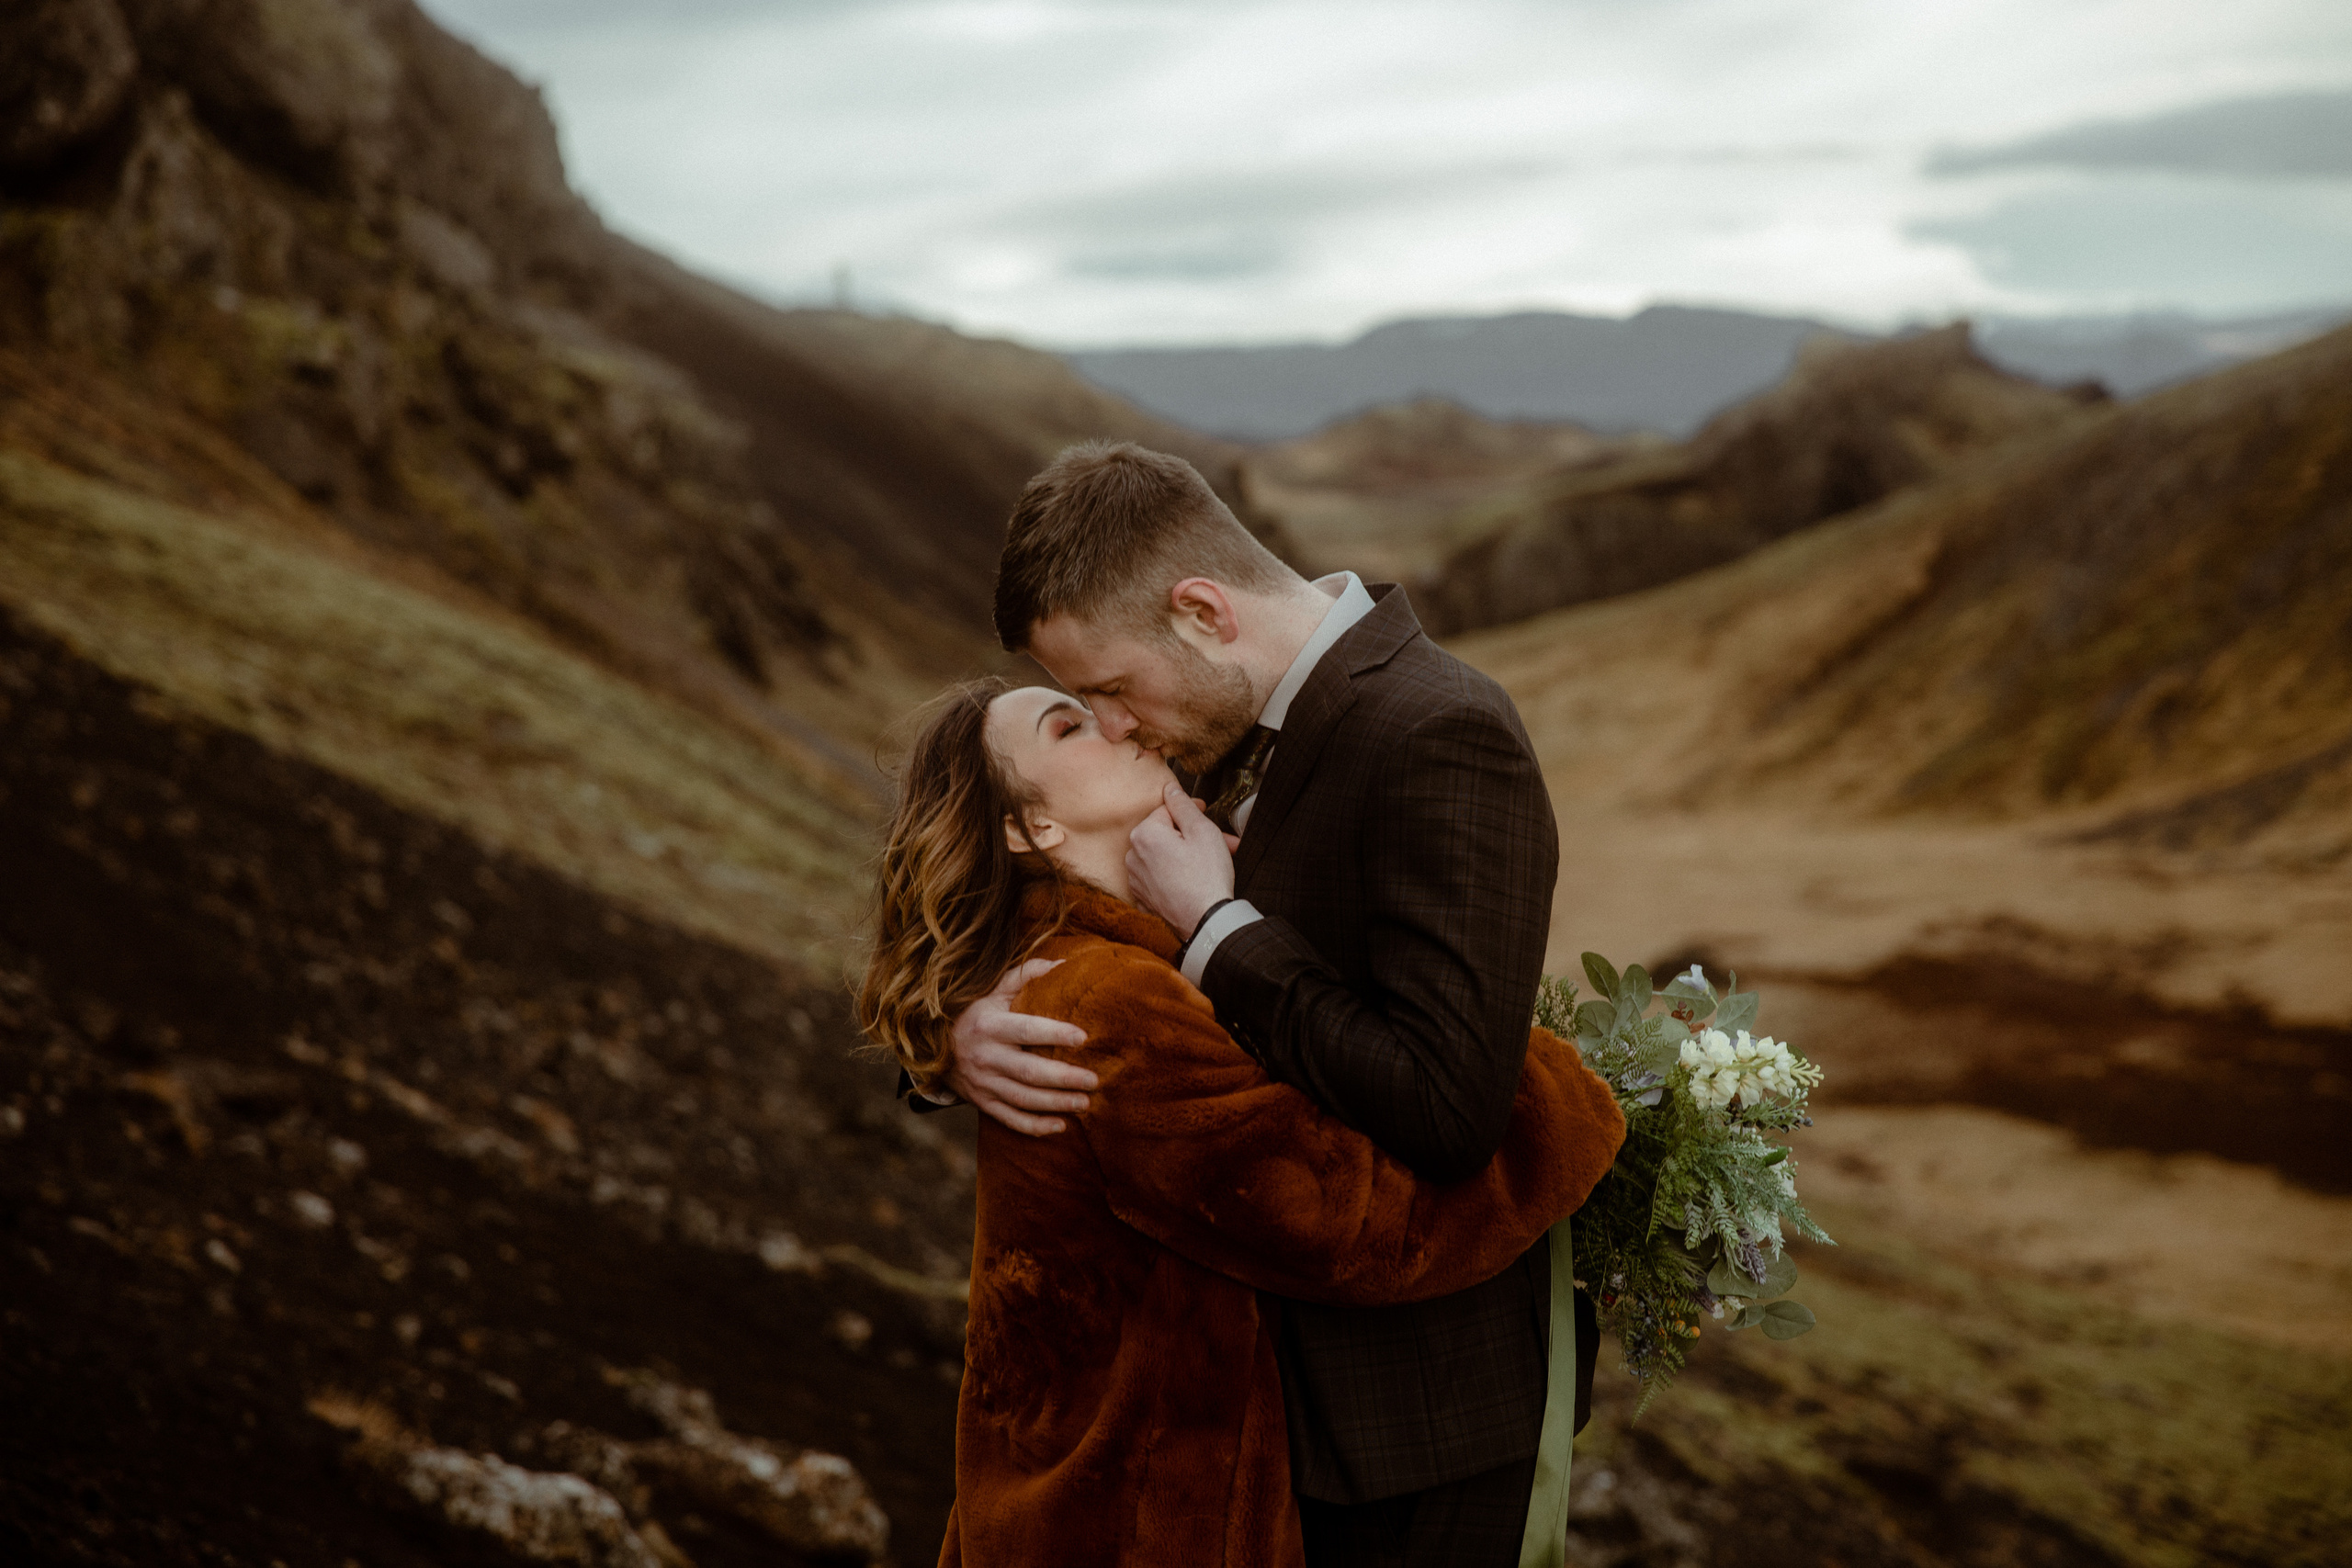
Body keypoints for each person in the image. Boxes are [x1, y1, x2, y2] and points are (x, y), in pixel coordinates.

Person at [926, 442, 1587, 1565]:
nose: (1119, 728)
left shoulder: (1438, 729)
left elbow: (1448, 1105)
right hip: (1256, 1428)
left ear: (1201, 612)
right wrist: (957, 1037)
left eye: (1109, 692)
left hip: (1410, 1430)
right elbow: (1068, 938)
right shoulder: (1215, 729)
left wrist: (1219, 934)